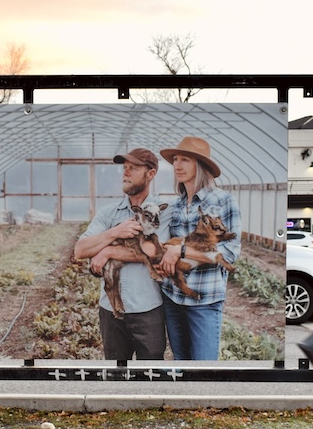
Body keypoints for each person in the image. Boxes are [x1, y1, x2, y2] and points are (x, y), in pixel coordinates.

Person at [74, 148, 172, 360]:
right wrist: (115, 232)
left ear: (151, 174)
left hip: (148, 308)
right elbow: (80, 250)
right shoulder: (109, 213)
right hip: (110, 311)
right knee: (115, 376)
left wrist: (107, 250)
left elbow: (154, 251)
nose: (125, 173)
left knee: (150, 375)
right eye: (124, 168)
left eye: (133, 168)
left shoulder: (161, 211)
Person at [156, 136, 241, 361]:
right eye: (175, 159)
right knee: (181, 366)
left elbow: (231, 252)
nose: (177, 165)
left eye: (185, 160)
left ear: (200, 165)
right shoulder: (176, 205)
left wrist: (181, 252)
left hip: (204, 300)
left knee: (204, 371)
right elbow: (168, 247)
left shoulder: (223, 200)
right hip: (173, 297)